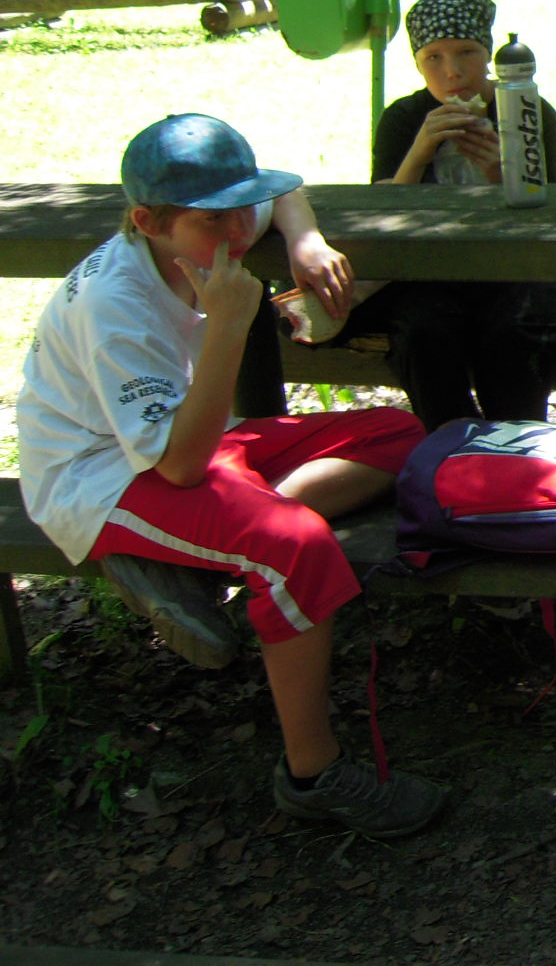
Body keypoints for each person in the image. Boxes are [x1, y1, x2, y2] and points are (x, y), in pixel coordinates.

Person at [14, 114, 444, 838]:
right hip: (101, 476)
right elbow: (180, 465)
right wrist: (226, 326)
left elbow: (281, 194)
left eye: (244, 206)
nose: (240, 229)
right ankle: (312, 775)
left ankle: (198, 551)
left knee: (397, 432)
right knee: (297, 546)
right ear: (147, 221)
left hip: (185, 438)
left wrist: (304, 238)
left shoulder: (210, 225)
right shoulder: (114, 306)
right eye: (215, 218)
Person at [327, 0, 556, 431]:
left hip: (517, 265)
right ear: (418, 65)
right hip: (429, 267)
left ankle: (516, 445)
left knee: (513, 333)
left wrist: (502, 174)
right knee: (422, 331)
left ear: (489, 55)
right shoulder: (404, 118)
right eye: (433, 58)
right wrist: (418, 154)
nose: (452, 72)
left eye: (466, 53)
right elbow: (382, 215)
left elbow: (550, 215)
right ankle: (451, 444)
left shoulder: (527, 110)